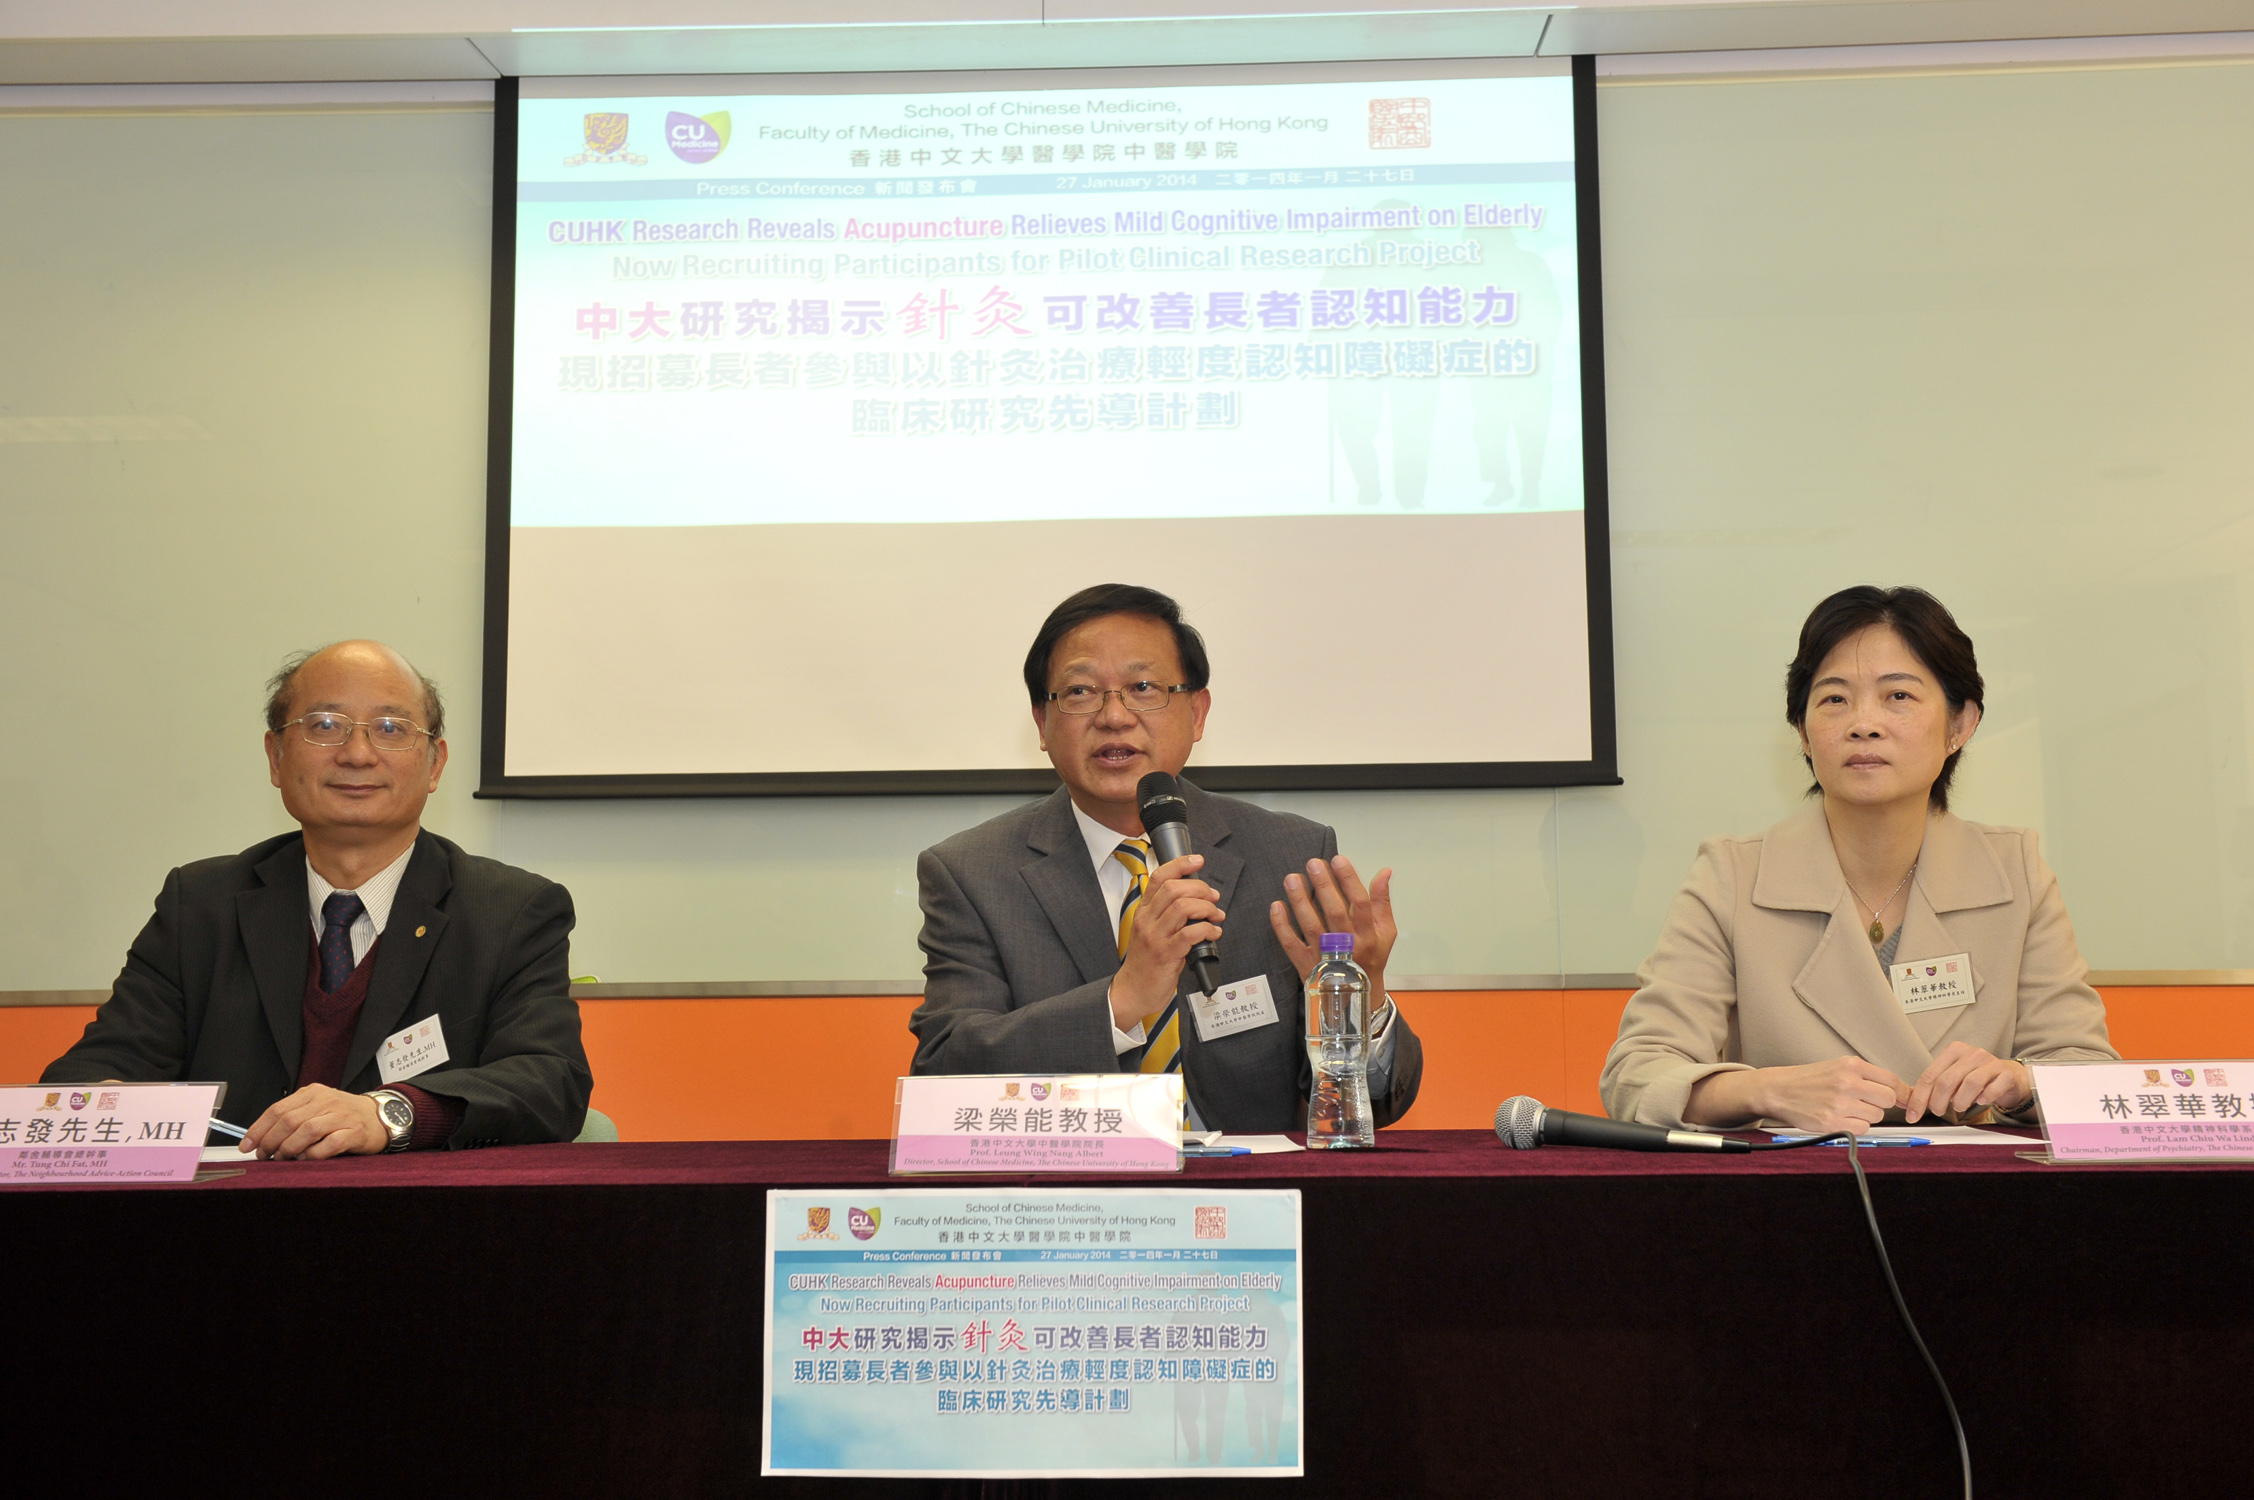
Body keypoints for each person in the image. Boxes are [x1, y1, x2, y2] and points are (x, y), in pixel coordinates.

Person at [43, 641, 591, 1158]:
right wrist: (112, 1103)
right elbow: (93, 1072)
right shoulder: (201, 906)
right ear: (276, 757)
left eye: (390, 728)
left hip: (425, 1231)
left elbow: (550, 1081)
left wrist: (389, 1113)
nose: (357, 753)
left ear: (435, 765)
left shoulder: (511, 910)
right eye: (324, 726)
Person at [1601, 586, 2116, 1135]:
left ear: (1960, 725)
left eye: (1898, 696)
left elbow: (2089, 1072)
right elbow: (1636, 1076)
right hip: (1788, 1199)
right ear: (1802, 732)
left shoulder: (2014, 871)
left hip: (1968, 1197)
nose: (1863, 723)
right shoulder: (1732, 876)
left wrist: (2017, 1081)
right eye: (1834, 699)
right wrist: (1768, 1090)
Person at [910, 584, 1424, 1133]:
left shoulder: (1290, 858)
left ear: (1197, 713)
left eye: (1144, 687)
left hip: (1251, 1199)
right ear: (1041, 722)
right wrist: (1122, 998)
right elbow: (945, 1073)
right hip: (1070, 1203)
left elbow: (1374, 1105)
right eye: (1081, 692)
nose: (1114, 716)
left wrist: (1357, 1005)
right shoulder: (971, 873)